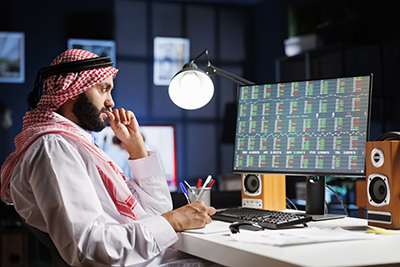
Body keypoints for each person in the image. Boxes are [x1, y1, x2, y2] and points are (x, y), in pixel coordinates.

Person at [0, 49, 216, 266]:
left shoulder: (77, 145)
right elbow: (89, 249)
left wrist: (135, 146)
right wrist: (174, 221)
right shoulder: (54, 148)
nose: (111, 102)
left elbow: (156, 213)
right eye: (103, 89)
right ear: (74, 90)